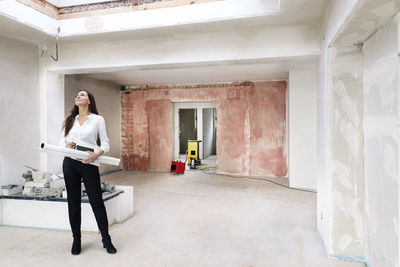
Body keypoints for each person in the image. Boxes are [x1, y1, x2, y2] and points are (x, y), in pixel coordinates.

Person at [60, 90, 117, 255]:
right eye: (76, 95)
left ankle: (106, 239)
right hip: (70, 163)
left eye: (82, 95)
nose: (78, 96)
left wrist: (96, 155)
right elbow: (61, 142)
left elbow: (105, 143)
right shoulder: (69, 120)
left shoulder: (98, 120)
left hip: (89, 163)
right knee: (73, 204)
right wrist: (67, 145)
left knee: (96, 202)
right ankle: (76, 239)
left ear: (89, 101)